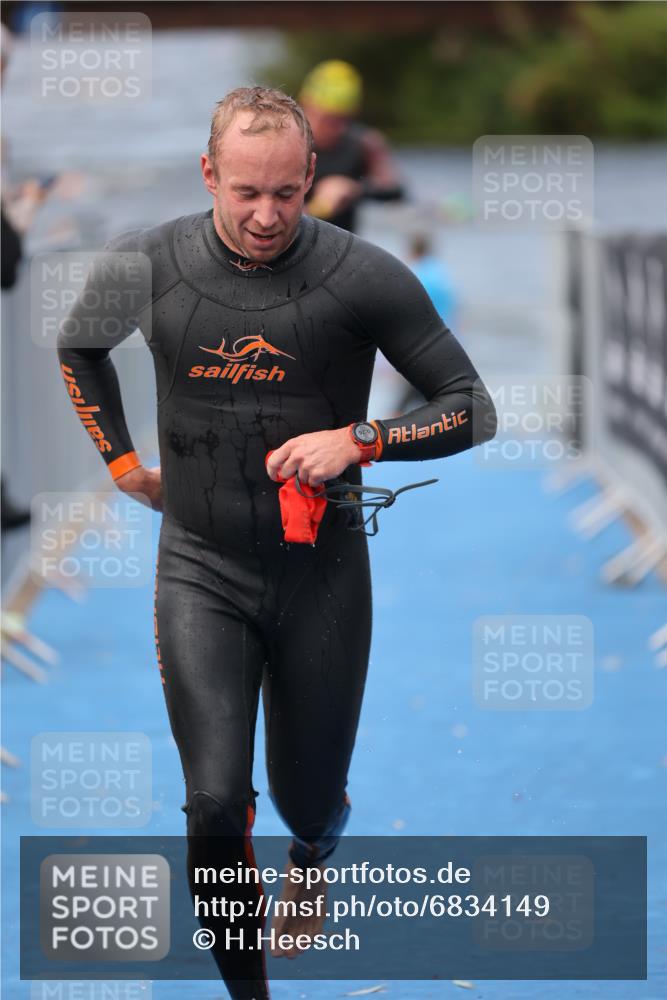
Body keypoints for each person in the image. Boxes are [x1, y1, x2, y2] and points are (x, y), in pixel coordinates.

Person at [56, 86, 496, 999]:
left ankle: (311, 853)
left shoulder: (360, 276)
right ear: (208, 173)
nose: (266, 216)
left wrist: (361, 439)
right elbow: (78, 347)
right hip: (198, 567)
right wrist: (123, 463)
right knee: (214, 805)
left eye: (287, 194)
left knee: (307, 797)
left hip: (320, 574)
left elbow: (470, 407)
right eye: (245, 192)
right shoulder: (147, 262)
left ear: (311, 177)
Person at [300, 59, 404, 232]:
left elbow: (395, 190)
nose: (337, 128)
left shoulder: (364, 143)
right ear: (306, 105)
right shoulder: (286, 143)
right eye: (328, 119)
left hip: (342, 244)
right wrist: (317, 208)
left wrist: (354, 189)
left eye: (344, 119)